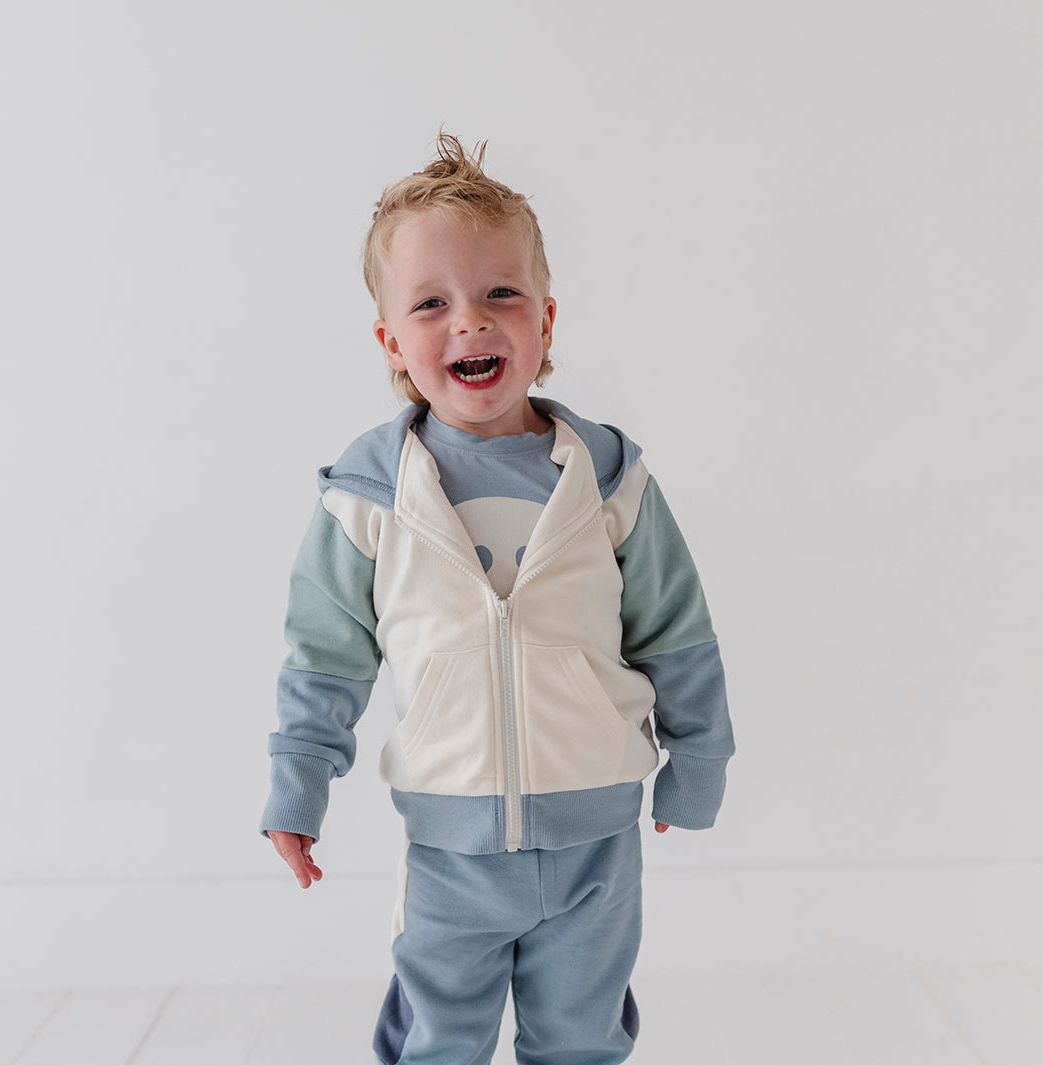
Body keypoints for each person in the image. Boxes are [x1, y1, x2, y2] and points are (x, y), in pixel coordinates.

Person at [259, 131, 735, 1065]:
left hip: (597, 844)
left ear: (546, 322)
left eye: (501, 295)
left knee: (583, 1037)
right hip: (450, 853)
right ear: (392, 342)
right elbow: (324, 657)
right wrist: (297, 783)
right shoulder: (369, 497)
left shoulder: (609, 481)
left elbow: (678, 632)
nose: (470, 322)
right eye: (431, 303)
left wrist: (701, 757)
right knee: (438, 1041)